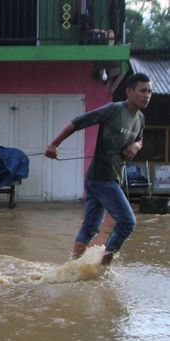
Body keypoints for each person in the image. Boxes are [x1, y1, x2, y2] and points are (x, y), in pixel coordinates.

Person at [45, 73, 152, 266]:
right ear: (129, 92)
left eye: (149, 91)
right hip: (103, 178)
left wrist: (135, 146)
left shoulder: (140, 118)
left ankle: (73, 268)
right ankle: (103, 266)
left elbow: (140, 139)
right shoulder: (113, 110)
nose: (147, 95)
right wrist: (54, 144)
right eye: (143, 90)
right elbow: (77, 122)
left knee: (91, 228)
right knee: (128, 222)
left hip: (103, 178)